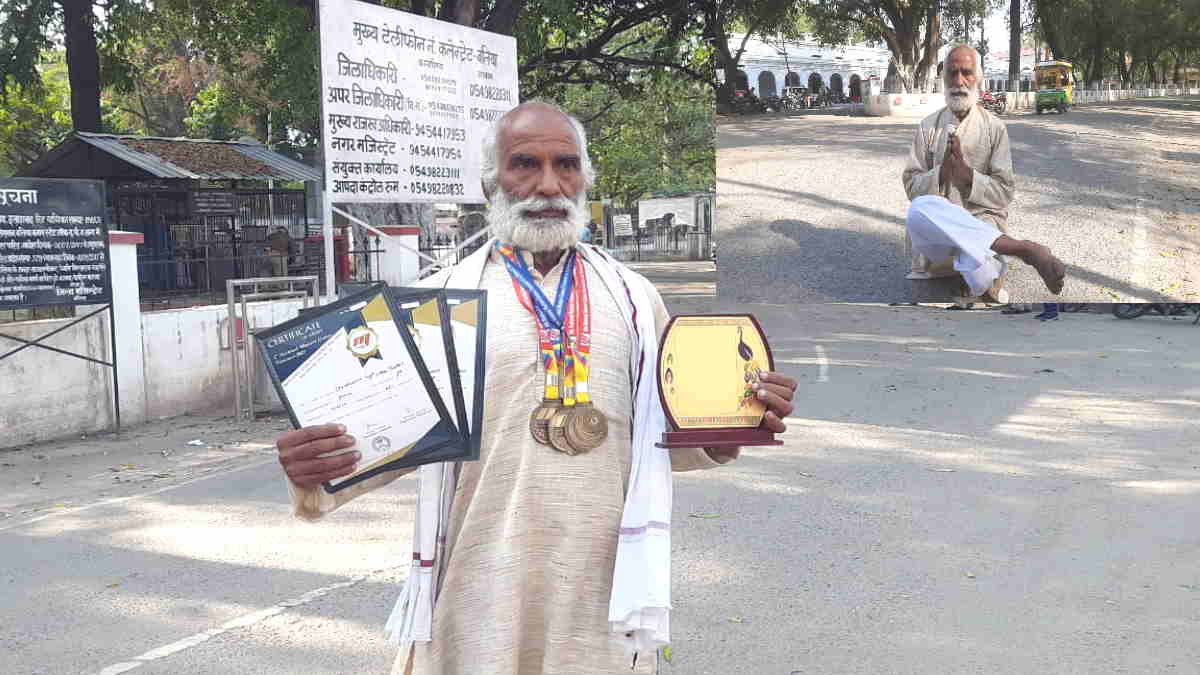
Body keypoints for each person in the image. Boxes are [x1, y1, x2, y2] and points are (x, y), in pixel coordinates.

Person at [273, 101, 797, 675]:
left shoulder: (635, 299)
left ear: (586, 178)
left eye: (566, 165)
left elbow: (659, 430)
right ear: (490, 180)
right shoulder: (438, 302)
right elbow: (391, 440)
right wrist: (318, 467)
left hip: (603, 579)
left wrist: (730, 425)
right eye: (526, 164)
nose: (549, 185)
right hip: (481, 575)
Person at [902, 44, 1066, 305]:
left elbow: (1004, 193)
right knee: (919, 210)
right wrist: (942, 172)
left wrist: (968, 177)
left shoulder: (994, 128)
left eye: (966, 72)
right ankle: (1023, 249)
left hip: (981, 222)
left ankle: (981, 278)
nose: (958, 81)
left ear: (978, 78)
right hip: (941, 232)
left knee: (979, 264)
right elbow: (911, 185)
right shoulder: (928, 126)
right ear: (943, 79)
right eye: (952, 73)